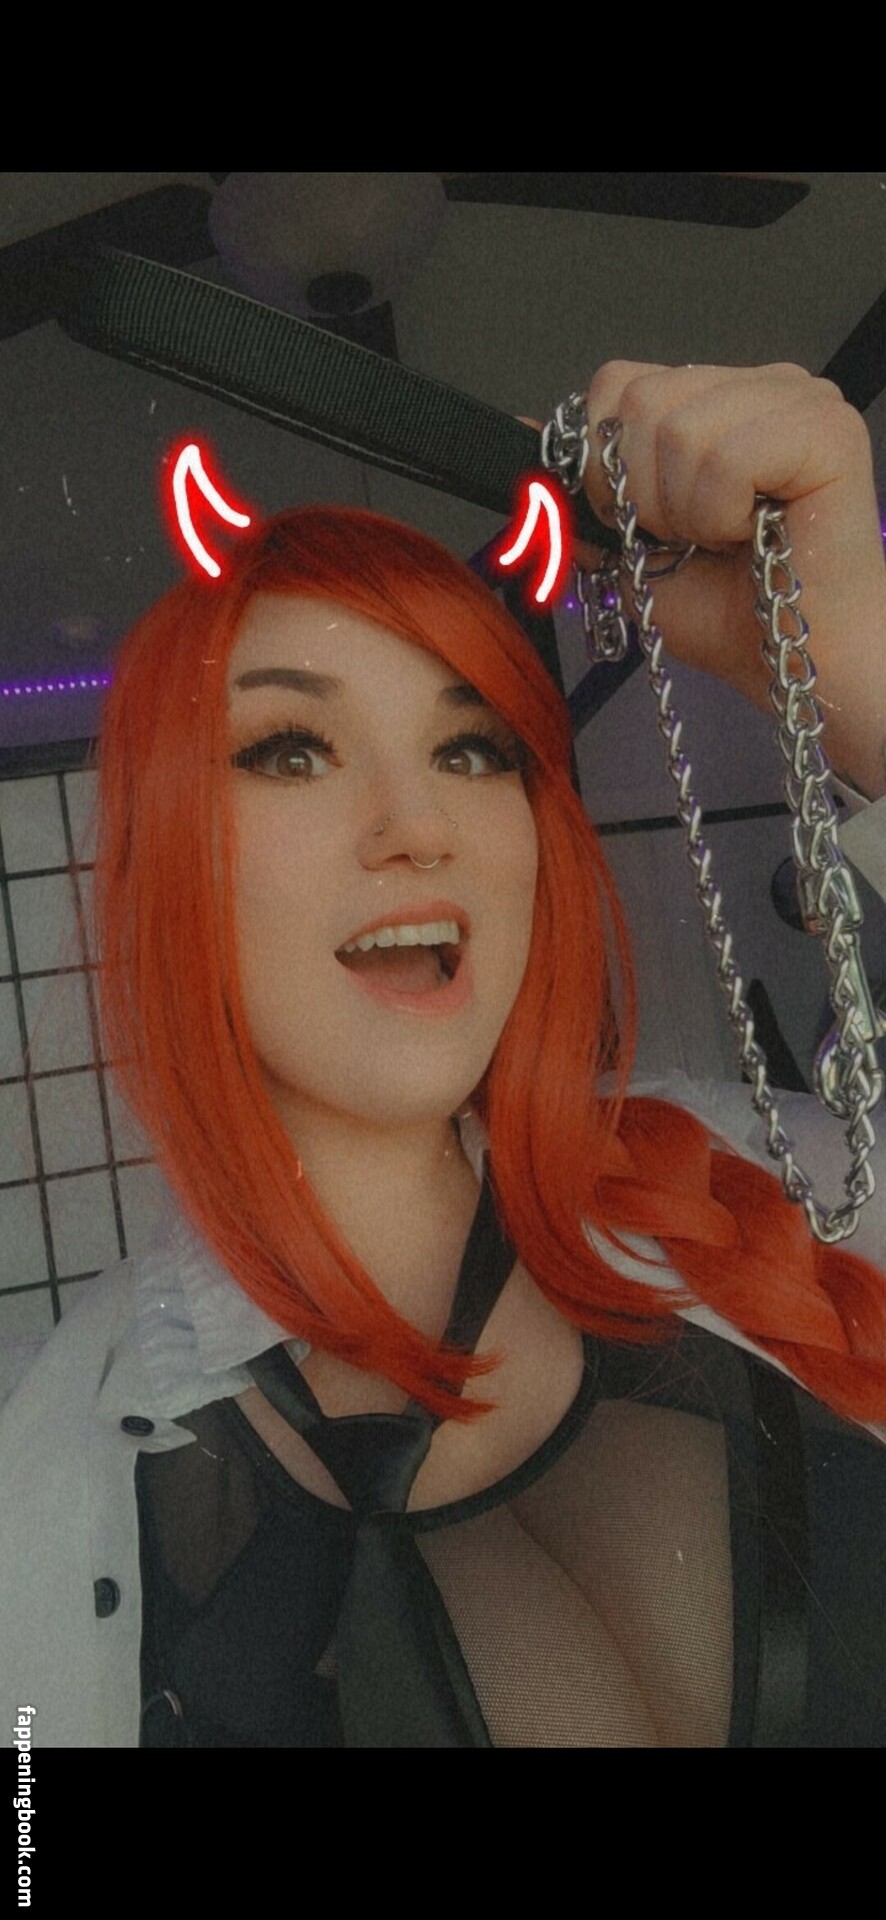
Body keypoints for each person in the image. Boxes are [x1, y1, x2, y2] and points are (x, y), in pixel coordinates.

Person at [2, 363, 885, 1747]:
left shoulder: (777, 1182)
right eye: (291, 751)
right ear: (163, 859)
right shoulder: (50, 1473)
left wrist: (861, 680)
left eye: (472, 750)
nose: (416, 826)